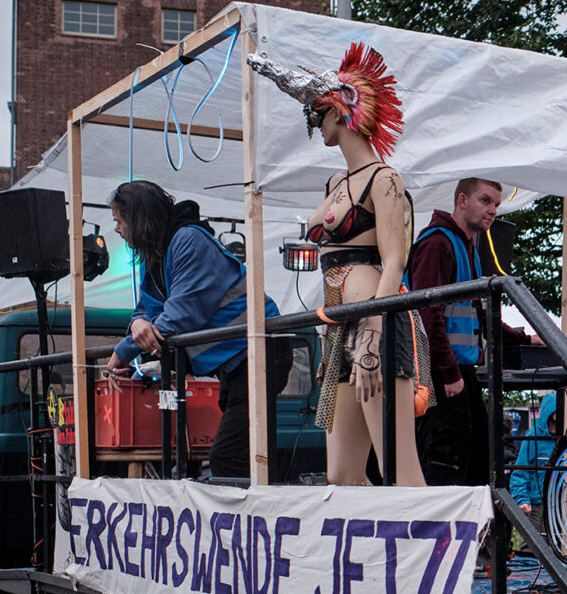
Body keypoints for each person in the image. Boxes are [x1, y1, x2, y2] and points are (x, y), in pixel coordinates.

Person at [248, 42, 428, 486]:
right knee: (342, 476)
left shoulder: (385, 180)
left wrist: (371, 335)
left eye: (318, 112)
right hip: (338, 327)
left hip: (374, 324)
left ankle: (440, 552)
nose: (315, 122)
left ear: (341, 110)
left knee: (397, 468)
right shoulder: (335, 181)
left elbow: (394, 263)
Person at [106, 182, 289, 479]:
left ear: (137, 218)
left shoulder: (188, 240)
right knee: (247, 453)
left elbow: (181, 315)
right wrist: (137, 325)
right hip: (237, 359)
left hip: (260, 350)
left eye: (119, 220)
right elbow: (146, 310)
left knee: (231, 455)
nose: (116, 228)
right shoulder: (156, 254)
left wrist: (125, 350)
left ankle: (256, 516)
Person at [406, 178, 541, 487]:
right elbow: (427, 313)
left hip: (457, 372)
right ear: (462, 200)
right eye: (485, 201)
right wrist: (449, 371)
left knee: (476, 459)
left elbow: (479, 313)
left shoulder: (466, 248)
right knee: (446, 460)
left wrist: (524, 339)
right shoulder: (438, 243)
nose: (492, 210)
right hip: (441, 376)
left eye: (496, 204)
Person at [508, 391, 561, 532]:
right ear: (549, 411)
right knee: (532, 547)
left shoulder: (565, 437)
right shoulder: (533, 436)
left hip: (560, 502)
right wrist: (522, 499)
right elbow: (520, 470)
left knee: (565, 548)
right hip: (538, 504)